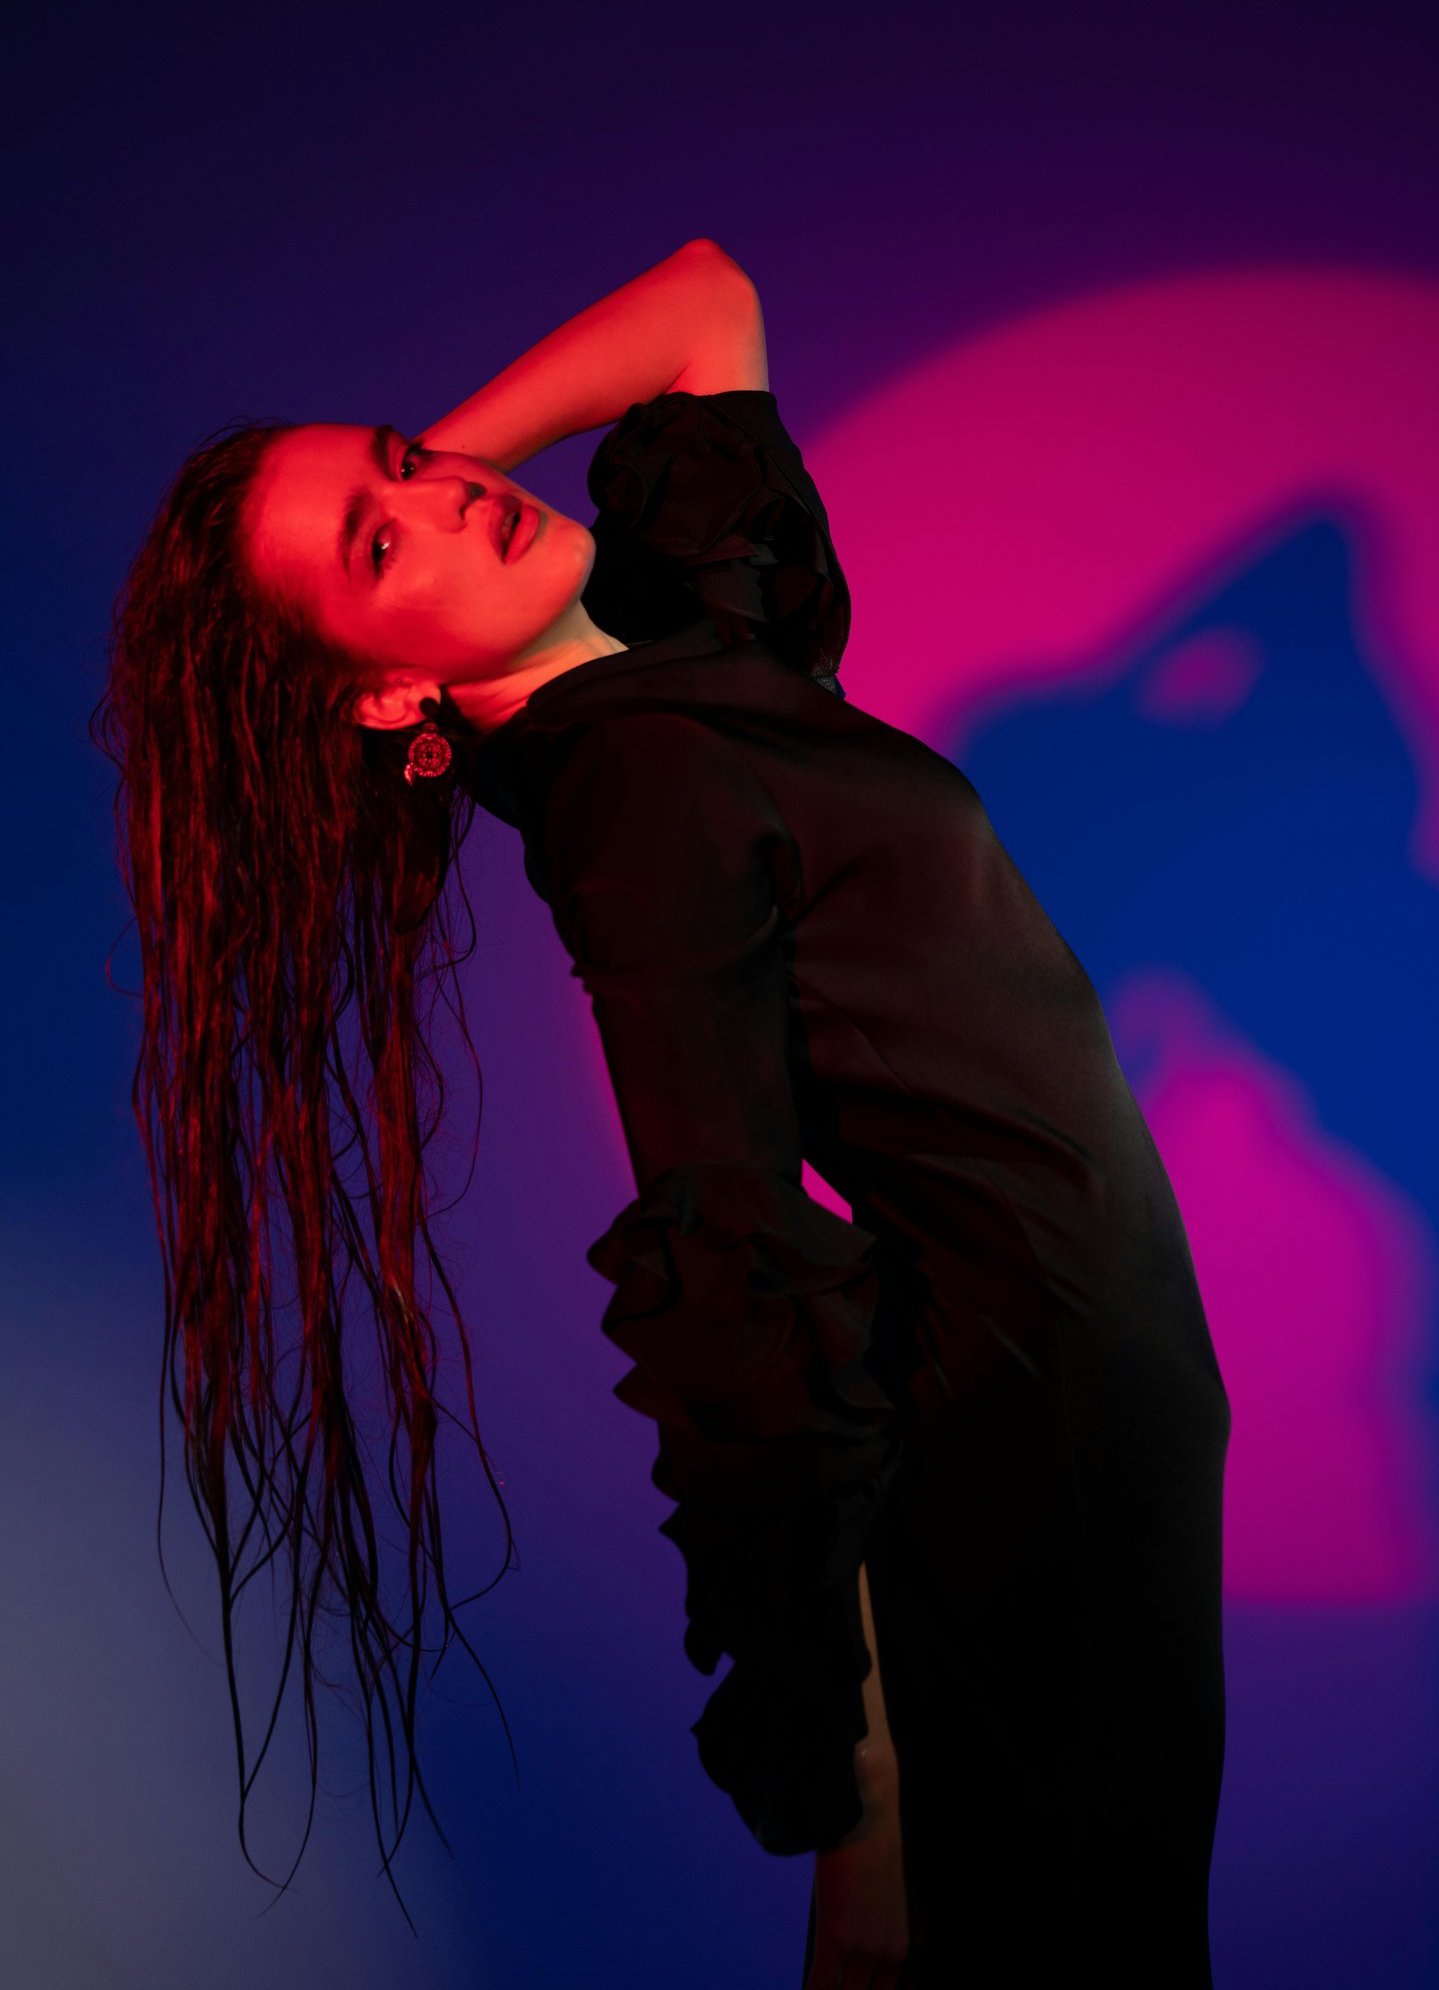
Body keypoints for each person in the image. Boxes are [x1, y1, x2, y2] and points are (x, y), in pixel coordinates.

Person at [95, 237, 1231, 1986]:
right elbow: (729, 1246)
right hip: (1032, 1411)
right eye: (378, 551)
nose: (454, 495)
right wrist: (846, 1769)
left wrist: (438, 481)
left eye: (408, 459)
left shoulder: (681, 639)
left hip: (1089, 1377)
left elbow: (703, 301)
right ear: (385, 697)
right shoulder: (632, 792)